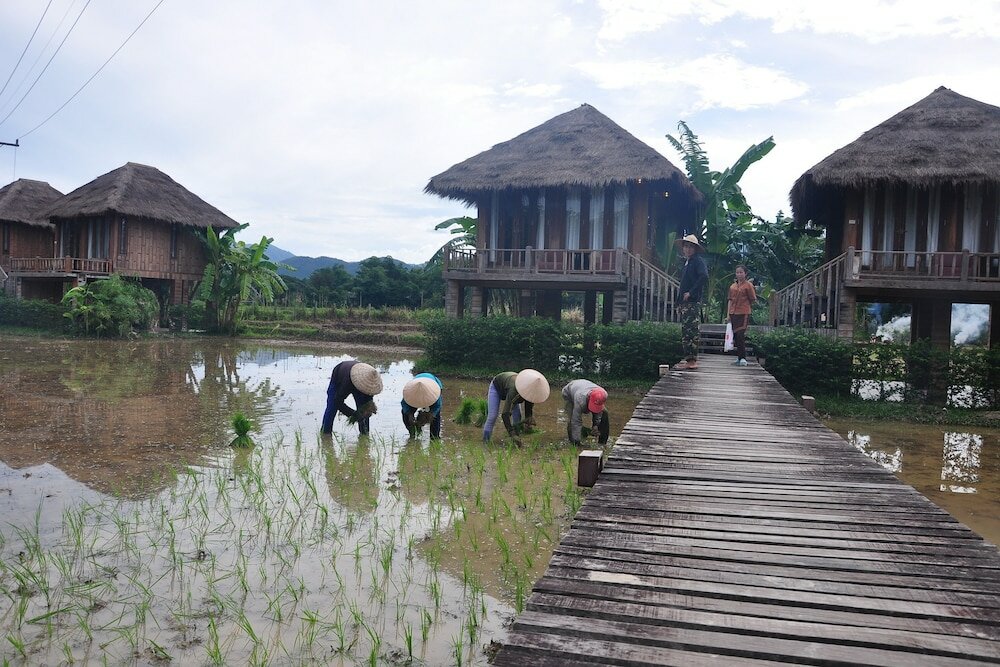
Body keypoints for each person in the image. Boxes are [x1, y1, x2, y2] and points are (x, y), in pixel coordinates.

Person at [482, 369, 550, 442]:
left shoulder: (530, 392)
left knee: (517, 416)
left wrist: (529, 417)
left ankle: (516, 441)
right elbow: (505, 414)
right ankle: (486, 441)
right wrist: (512, 433)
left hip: (510, 386)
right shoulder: (514, 391)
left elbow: (529, 405)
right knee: (492, 416)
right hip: (497, 387)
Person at [674, 234, 709, 370]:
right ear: (683, 248)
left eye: (691, 247)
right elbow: (683, 285)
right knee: (686, 331)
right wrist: (679, 303)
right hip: (685, 303)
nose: (688, 249)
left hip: (692, 302)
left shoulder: (697, 261)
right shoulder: (687, 263)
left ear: (695, 249)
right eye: (686, 246)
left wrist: (691, 293)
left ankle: (692, 360)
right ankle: (689, 359)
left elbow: (703, 276)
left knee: (691, 331)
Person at [321, 360, 383, 435]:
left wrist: (369, 409)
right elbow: (338, 401)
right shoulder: (346, 383)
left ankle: (364, 434)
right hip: (339, 375)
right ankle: (326, 433)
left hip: (357, 378)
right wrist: (353, 414)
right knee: (332, 407)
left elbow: (368, 402)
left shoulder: (370, 385)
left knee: (364, 410)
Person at [727, 264, 758, 367]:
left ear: (745, 273)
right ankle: (739, 357)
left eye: (741, 272)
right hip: (733, 313)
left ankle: (743, 358)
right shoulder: (732, 286)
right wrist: (728, 314)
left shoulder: (748, 285)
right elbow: (730, 300)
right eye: (737, 272)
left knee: (740, 334)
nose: (739, 274)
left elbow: (753, 299)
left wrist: (745, 305)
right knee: (736, 336)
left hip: (744, 312)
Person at [562, 379, 609, 446]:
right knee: (572, 418)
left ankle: (602, 442)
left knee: (604, 412)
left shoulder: (604, 394)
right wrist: (577, 441)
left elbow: (598, 412)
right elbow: (576, 421)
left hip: (583, 388)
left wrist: (595, 425)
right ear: (589, 398)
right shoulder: (580, 400)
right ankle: (574, 443)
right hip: (569, 393)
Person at [401, 373, 443, 439]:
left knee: (435, 417)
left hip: (432, 385)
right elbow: (404, 404)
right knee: (405, 413)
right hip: (416, 388)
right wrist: (410, 414)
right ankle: (412, 432)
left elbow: (437, 407)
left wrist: (431, 415)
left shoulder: (435, 394)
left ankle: (434, 437)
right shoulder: (410, 394)